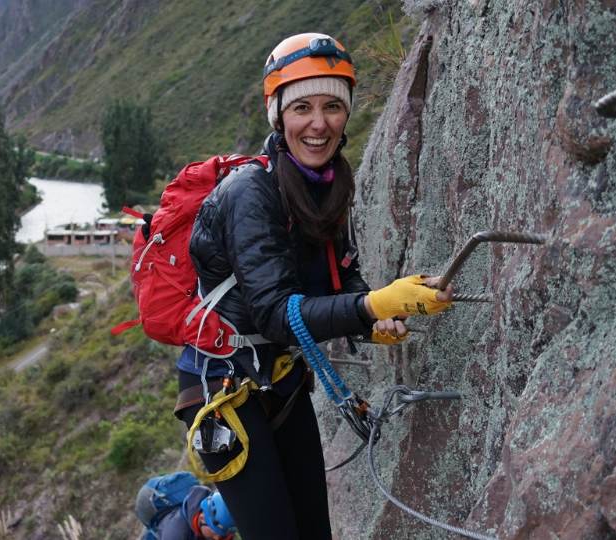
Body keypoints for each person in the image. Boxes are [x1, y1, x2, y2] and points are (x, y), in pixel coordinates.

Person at [174, 33, 454, 537]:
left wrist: (378, 320)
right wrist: (370, 306)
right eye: (302, 107)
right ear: (278, 115)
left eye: (332, 106)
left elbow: (337, 276)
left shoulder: (326, 184)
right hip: (223, 390)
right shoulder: (250, 194)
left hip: (279, 379)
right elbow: (276, 313)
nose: (319, 123)